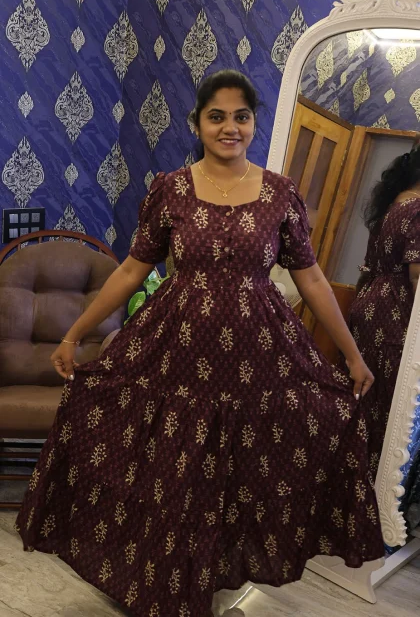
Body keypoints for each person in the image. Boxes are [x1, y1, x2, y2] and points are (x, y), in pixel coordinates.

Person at [16, 70, 384, 617]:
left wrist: (352, 354)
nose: (230, 127)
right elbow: (132, 270)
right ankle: (163, 585)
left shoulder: (280, 194)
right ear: (197, 124)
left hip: (255, 353)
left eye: (241, 117)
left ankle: (206, 582)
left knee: (235, 472)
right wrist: (74, 333)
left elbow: (310, 278)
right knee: (171, 471)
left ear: (253, 123)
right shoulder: (170, 189)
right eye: (217, 117)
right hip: (176, 348)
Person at [348, 143, 420, 479]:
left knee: (364, 403)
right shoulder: (418, 208)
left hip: (369, 305)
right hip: (394, 315)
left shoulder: (397, 203)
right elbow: (417, 276)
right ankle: (368, 489)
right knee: (386, 411)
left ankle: (348, 482)